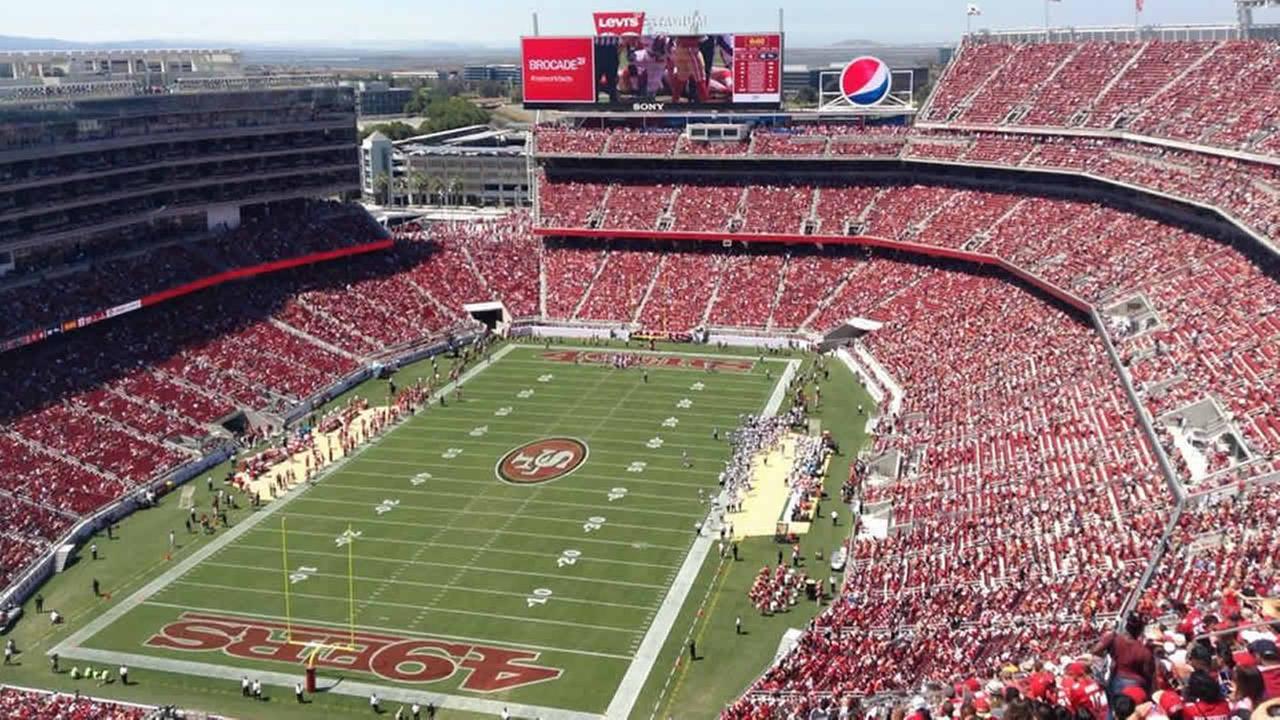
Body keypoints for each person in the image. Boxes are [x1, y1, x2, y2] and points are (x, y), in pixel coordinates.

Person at [1092, 614, 1156, 698]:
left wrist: (1110, 656)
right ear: (1140, 631)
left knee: (1115, 708)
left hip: (1117, 680)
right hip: (1137, 684)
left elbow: (1095, 650)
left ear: (1126, 626)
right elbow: (1148, 674)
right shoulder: (1145, 651)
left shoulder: (1114, 638)